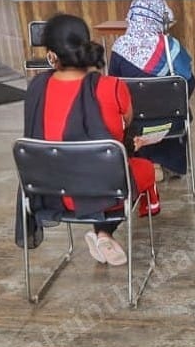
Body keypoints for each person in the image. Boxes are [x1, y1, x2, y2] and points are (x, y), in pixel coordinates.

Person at [23, 14, 160, 266]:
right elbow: (125, 126)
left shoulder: (35, 88)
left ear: (51, 55)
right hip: (102, 192)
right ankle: (104, 232)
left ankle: (102, 235)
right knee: (141, 169)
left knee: (103, 169)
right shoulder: (111, 86)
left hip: (46, 192)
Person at [107, 0, 195, 178]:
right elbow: (188, 83)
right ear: (158, 15)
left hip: (134, 124)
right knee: (176, 107)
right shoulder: (171, 47)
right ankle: (168, 165)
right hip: (171, 122)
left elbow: (114, 87)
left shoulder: (119, 48)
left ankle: (142, 164)